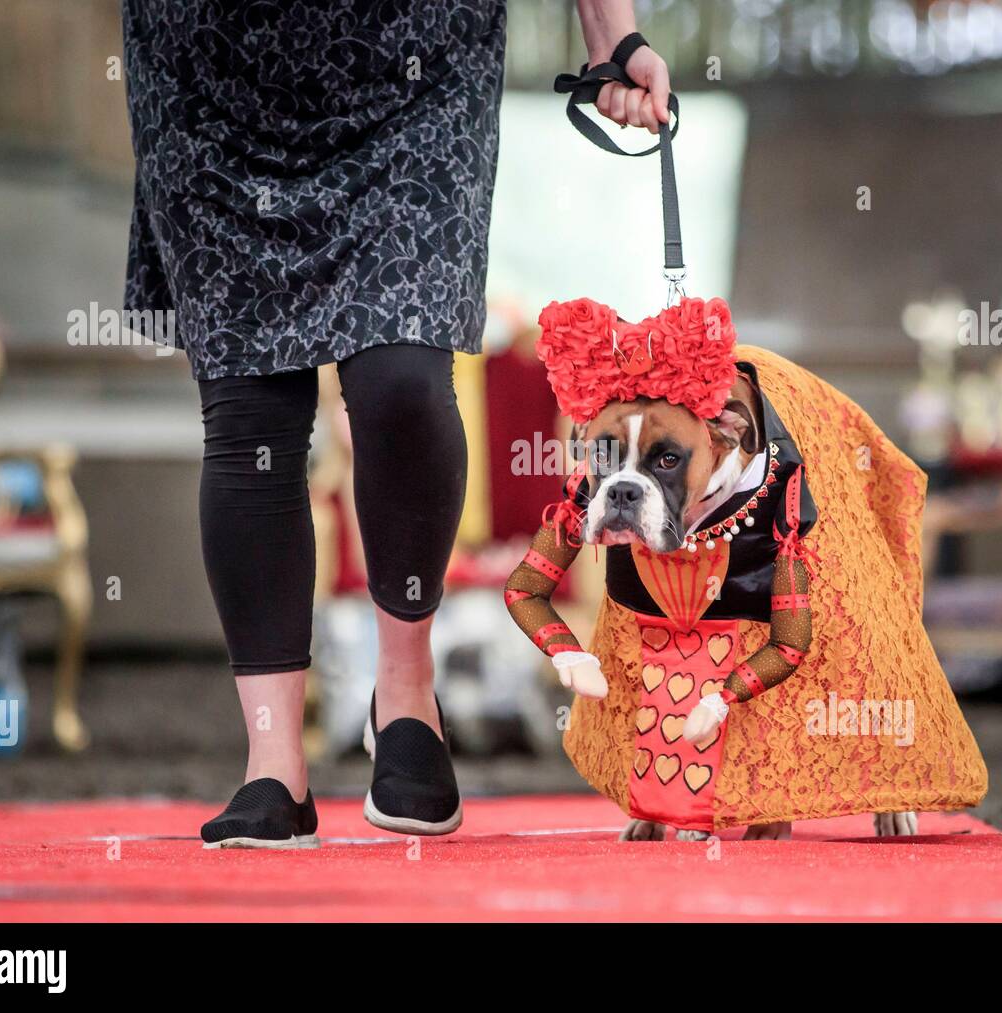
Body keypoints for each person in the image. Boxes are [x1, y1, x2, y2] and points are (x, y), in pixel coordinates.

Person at [120, 0, 671, 845]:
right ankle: (274, 765)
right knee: (250, 412)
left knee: (404, 382)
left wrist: (611, 36)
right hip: (211, 72)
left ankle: (406, 693)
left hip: (412, 57)